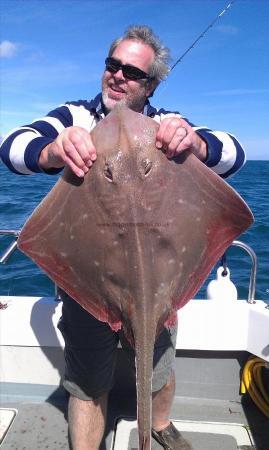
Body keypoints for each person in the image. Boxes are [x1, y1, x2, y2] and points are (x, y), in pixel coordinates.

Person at [0, 26, 245, 450]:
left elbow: (233, 152)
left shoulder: (167, 123)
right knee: (87, 380)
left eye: (132, 72)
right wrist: (52, 150)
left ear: (150, 84)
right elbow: (12, 146)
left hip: (161, 280)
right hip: (89, 285)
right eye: (112, 65)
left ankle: (160, 426)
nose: (118, 76)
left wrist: (196, 143)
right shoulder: (75, 116)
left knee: (159, 367)